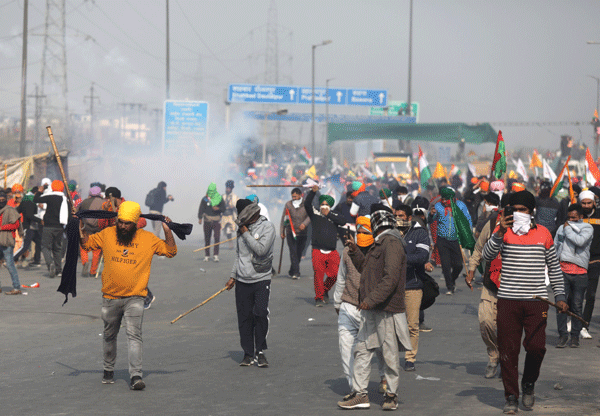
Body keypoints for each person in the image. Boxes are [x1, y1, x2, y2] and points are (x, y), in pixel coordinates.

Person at [482, 190, 567, 414]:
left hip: (536, 301)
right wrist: (499, 231)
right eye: (515, 210)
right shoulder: (504, 233)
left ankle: (528, 383)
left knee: (537, 347)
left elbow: (555, 268)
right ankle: (511, 396)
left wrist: (559, 296)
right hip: (508, 301)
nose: (518, 214)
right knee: (508, 350)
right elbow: (487, 256)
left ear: (532, 212)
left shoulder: (544, 234)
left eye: (523, 210)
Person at [79, 201, 177, 390]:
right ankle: (108, 370)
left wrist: (167, 230)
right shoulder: (107, 234)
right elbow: (87, 244)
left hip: (135, 297)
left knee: (134, 336)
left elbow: (171, 251)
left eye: (127, 223)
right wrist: (80, 226)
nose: (123, 226)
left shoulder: (148, 239)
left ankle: (136, 376)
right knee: (109, 336)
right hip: (110, 297)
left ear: (135, 223)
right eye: (120, 222)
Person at [336, 208, 411, 411]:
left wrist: (370, 300)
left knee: (389, 354)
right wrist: (354, 251)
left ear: (377, 225)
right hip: (371, 309)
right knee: (362, 351)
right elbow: (367, 270)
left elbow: (390, 279)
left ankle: (391, 395)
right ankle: (360, 394)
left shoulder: (392, 244)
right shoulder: (380, 243)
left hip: (385, 309)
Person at [333, 216, 387, 394]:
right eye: (360, 231)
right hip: (348, 306)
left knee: (378, 346)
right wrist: (337, 302)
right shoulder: (347, 252)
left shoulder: (379, 251)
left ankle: (384, 377)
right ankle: (355, 388)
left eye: (366, 231)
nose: (362, 234)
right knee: (346, 349)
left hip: (370, 309)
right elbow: (341, 277)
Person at [225, 199, 276, 367]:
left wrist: (246, 232)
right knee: (244, 317)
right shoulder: (241, 229)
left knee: (260, 313)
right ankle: (248, 353)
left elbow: (261, 250)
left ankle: (260, 351)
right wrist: (233, 276)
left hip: (261, 278)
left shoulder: (267, 227)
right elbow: (239, 256)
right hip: (242, 280)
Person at [466, 195, 504, 379]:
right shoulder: (493, 223)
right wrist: (472, 269)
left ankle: (506, 360)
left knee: (507, 329)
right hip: (491, 283)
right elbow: (479, 248)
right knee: (485, 323)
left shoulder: (531, 230)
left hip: (515, 288)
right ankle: (493, 355)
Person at [554, 203, 593, 348]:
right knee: (561, 305)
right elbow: (556, 245)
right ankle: (562, 335)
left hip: (580, 273)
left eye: (574, 218)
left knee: (576, 306)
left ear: (581, 217)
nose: (571, 220)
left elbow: (580, 241)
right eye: (569, 217)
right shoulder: (561, 228)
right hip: (562, 271)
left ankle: (575, 336)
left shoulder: (587, 228)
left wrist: (567, 229)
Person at [304, 185, 346, 306]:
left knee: (334, 275)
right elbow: (307, 204)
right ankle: (319, 297)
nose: (323, 206)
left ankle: (325, 290)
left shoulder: (335, 215)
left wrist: (329, 214)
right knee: (318, 274)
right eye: (322, 204)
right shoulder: (315, 214)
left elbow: (343, 221)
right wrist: (312, 192)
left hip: (331, 251)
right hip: (317, 250)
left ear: (330, 206)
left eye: (326, 204)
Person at [431, 187, 472, 295]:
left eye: (446, 199)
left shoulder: (461, 206)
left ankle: (452, 279)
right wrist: (431, 214)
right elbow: (432, 219)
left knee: (459, 265)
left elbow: (468, 221)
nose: (444, 201)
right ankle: (450, 286)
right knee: (445, 264)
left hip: (456, 239)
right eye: (442, 199)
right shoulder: (438, 206)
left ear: (452, 198)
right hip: (442, 239)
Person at [33, 180, 68, 278]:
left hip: (48, 226)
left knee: (45, 246)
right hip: (60, 227)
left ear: (52, 188)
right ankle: (59, 270)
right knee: (57, 248)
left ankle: (50, 264)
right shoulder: (64, 198)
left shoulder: (50, 197)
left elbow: (35, 199)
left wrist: (39, 191)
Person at [579, 190, 600, 340]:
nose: (586, 206)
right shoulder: (576, 215)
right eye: (583, 203)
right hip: (578, 262)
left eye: (589, 203)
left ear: (594, 202)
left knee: (591, 295)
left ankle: (584, 325)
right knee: (575, 295)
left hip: (595, 261)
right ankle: (573, 320)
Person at [280, 188, 310, 279]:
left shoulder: (306, 204)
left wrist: (304, 224)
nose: (294, 198)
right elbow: (284, 218)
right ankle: (296, 272)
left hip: (302, 233)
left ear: (300, 195)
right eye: (292, 196)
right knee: (293, 252)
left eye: (296, 196)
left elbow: (310, 216)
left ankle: (292, 270)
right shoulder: (288, 204)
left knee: (299, 253)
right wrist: (282, 231)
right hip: (290, 232)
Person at [77, 186, 105, 277]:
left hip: (86, 228)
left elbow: (77, 212)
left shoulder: (84, 202)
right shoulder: (103, 202)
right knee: (96, 251)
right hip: (98, 229)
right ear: (100, 194)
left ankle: (85, 262)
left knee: (84, 248)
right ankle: (93, 271)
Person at [0, 191, 23, 295]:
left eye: (3, 200)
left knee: (9, 264)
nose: (1, 202)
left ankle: (16, 287)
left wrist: (2, 228)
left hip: (7, 240)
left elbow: (16, 225)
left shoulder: (10, 210)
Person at [198, 182, 226, 262]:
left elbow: (223, 209)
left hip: (216, 221)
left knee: (217, 238)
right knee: (207, 238)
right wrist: (200, 218)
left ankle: (215, 255)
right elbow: (201, 209)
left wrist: (218, 208)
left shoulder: (219, 198)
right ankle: (207, 255)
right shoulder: (204, 199)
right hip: (207, 220)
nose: (210, 193)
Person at [14, 190, 40, 267]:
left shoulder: (25, 202)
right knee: (25, 246)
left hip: (32, 227)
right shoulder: (30, 202)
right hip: (28, 227)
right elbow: (31, 215)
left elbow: (18, 210)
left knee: (38, 242)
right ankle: (12, 258)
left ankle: (36, 260)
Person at [221, 180, 239, 248]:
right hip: (224, 216)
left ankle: (230, 242)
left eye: (228, 188)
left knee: (229, 230)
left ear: (231, 189)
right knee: (225, 230)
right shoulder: (223, 196)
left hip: (231, 216)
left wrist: (233, 207)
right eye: (227, 188)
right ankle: (229, 240)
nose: (227, 189)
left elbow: (238, 206)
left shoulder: (235, 197)